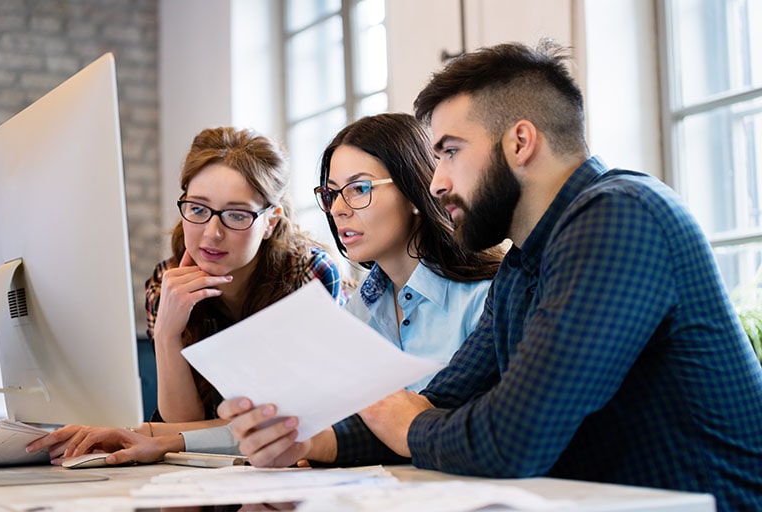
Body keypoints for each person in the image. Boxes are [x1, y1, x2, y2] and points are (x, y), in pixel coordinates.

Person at [217, 41, 762, 510]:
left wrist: (397, 416)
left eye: (451, 153)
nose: (436, 183)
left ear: (520, 142)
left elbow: (511, 439)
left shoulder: (619, 215)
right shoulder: (523, 266)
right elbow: (445, 400)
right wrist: (309, 442)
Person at [26, 126, 344, 461]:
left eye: (236, 215)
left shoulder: (308, 274)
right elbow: (185, 428)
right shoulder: (167, 282)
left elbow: (281, 428)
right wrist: (167, 334)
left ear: (270, 221)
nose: (212, 232)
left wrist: (149, 435)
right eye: (197, 209)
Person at [316, 112, 503, 391]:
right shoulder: (360, 309)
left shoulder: (484, 298)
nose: (338, 209)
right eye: (332, 193)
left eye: (358, 188)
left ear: (415, 191)